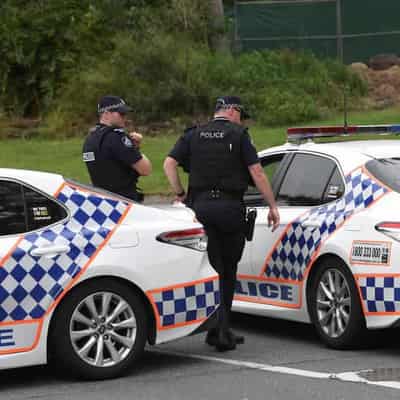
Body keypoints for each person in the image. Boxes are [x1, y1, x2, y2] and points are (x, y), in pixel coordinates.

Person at [164, 96, 280, 351]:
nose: (242, 119)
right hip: (229, 209)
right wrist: (272, 206)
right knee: (228, 270)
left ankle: (215, 327)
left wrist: (180, 193)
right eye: (241, 113)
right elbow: (257, 172)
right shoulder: (240, 135)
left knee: (210, 267)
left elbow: (169, 163)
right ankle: (221, 330)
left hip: (200, 209)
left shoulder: (193, 134)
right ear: (232, 111)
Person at [82, 95, 152, 202]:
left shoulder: (90, 139)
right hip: (124, 202)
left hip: (102, 201)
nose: (125, 117)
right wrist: (136, 147)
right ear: (106, 113)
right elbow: (145, 169)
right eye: (121, 114)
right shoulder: (117, 137)